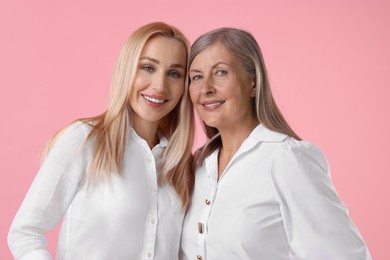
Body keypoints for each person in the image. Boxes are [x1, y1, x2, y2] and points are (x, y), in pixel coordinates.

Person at [180, 28, 371, 260]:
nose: (206, 88)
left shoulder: (286, 158)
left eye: (220, 72)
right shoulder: (197, 165)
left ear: (253, 83)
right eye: (196, 77)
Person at [8, 22, 194, 260]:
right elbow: (25, 232)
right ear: (127, 70)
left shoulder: (180, 163)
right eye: (148, 67)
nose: (159, 85)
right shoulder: (84, 140)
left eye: (174, 73)